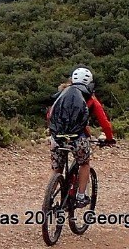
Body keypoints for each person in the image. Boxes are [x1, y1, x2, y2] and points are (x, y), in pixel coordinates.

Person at [46, 66, 115, 208]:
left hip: (57, 137)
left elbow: (50, 115)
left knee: (57, 168)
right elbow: (105, 123)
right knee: (84, 163)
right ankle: (81, 196)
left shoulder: (61, 94)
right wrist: (109, 138)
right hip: (77, 138)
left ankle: (49, 198)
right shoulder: (90, 98)